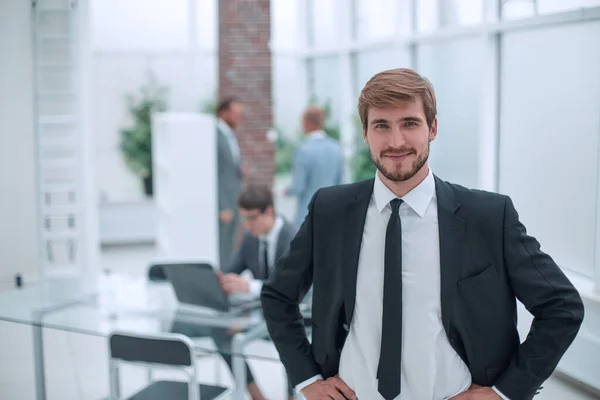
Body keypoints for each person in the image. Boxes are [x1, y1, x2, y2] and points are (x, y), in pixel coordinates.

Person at [261, 68, 584, 400]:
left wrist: (504, 393)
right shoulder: (330, 210)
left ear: (433, 128)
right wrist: (308, 379)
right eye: (381, 126)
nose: (396, 141)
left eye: (410, 123)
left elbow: (563, 307)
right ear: (365, 133)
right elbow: (277, 296)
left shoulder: (488, 217)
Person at [215, 184, 298, 400]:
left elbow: (292, 288)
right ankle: (256, 395)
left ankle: (291, 396)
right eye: (243, 218)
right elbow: (231, 270)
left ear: (269, 211)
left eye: (251, 218)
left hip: (296, 311)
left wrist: (250, 286)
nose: (246, 225)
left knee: (288, 332)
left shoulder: (295, 238)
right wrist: (222, 280)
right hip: (260, 313)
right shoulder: (251, 238)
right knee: (219, 331)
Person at [285, 105, 344, 227]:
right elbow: (342, 183)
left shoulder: (303, 150)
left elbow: (298, 186)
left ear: (306, 123)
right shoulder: (336, 148)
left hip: (308, 214)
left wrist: (286, 191)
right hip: (332, 213)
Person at [216, 96, 244, 267]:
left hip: (233, 199)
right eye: (236, 114)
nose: (239, 118)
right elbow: (215, 174)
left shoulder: (229, 135)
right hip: (225, 203)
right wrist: (222, 205)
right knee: (223, 244)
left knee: (230, 243)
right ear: (224, 113)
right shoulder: (216, 136)